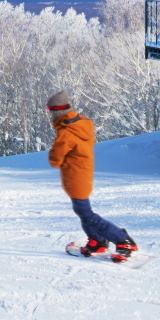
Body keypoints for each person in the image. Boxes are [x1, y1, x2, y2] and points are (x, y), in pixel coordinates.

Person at [46, 90, 138, 261]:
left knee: (86, 213)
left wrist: (57, 147)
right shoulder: (82, 123)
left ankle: (123, 240)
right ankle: (97, 240)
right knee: (82, 211)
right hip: (84, 173)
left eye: (50, 111)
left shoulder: (66, 133)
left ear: (56, 112)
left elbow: (55, 159)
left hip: (75, 178)